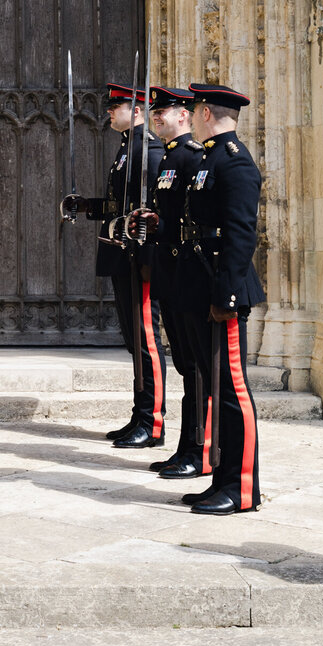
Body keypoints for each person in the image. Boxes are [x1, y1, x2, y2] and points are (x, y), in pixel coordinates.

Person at [62, 83, 165, 447]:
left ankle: (152, 421)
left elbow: (155, 213)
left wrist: (149, 254)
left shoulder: (149, 151)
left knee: (146, 340)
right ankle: (140, 415)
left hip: (139, 258)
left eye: (115, 106)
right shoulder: (128, 150)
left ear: (137, 110)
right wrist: (86, 206)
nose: (108, 111)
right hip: (122, 254)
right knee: (133, 339)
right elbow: (119, 205)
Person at [178, 82, 265, 515]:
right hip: (201, 283)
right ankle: (221, 479)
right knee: (214, 386)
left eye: (194, 111)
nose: (191, 117)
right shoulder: (209, 158)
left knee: (233, 392)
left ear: (207, 114)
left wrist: (227, 295)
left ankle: (241, 487)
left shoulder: (236, 164)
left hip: (222, 289)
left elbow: (240, 236)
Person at [131, 87, 211, 480]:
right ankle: (187, 446)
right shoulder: (166, 158)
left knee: (196, 368)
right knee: (186, 365)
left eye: (164, 110)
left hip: (186, 274)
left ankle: (199, 449)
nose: (157, 116)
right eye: (155, 111)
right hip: (170, 274)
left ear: (185, 116)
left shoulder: (192, 157)